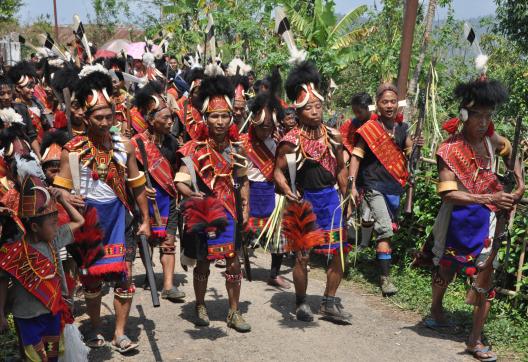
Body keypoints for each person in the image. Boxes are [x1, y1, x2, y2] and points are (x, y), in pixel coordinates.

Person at [53, 65, 150, 353]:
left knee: (125, 279)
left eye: (109, 116)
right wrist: (64, 197)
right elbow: (60, 188)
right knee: (92, 281)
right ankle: (95, 329)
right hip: (89, 221)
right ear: (84, 114)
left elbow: (137, 184)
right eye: (99, 117)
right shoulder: (72, 149)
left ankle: (119, 333)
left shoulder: (125, 146)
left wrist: (145, 218)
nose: (105, 122)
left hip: (121, 218)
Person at [429, 78, 524, 362]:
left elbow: (511, 153)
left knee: (486, 274)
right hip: (457, 214)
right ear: (464, 115)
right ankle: (436, 308)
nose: (484, 122)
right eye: (478, 115)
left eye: (488, 116)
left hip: (490, 219)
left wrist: (519, 183)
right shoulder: (448, 150)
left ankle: (475, 339)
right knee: (446, 267)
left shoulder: (490, 139)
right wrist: (490, 199)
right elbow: (449, 194)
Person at [175, 64, 251, 332]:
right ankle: (200, 305)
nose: (220, 121)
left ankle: (233, 311)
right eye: (215, 116)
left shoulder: (238, 148)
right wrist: (191, 194)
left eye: (225, 116)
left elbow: (243, 180)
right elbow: (181, 179)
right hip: (204, 212)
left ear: (232, 118)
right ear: (205, 118)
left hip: (229, 212)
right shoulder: (193, 149)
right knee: (204, 261)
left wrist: (245, 206)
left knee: (233, 261)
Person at [274, 61, 351, 324]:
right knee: (302, 255)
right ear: (298, 110)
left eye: (318, 106)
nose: (315, 112)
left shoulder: (333, 136)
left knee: (338, 251)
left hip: (330, 201)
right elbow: (277, 173)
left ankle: (329, 303)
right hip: (303, 201)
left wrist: (347, 195)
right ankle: (301, 303)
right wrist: (287, 190)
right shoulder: (291, 141)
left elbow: (341, 168)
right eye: (309, 107)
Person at [0, 175, 85, 362]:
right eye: (53, 223)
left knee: (53, 356)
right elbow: (3, 281)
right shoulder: (15, 251)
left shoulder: (54, 239)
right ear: (35, 227)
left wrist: (62, 198)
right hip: (26, 316)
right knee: (34, 358)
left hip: (52, 313)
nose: (57, 226)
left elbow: (79, 221)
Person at [348, 83, 421, 296]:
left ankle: (376, 264)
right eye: (384, 102)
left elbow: (410, 156)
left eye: (392, 102)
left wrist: (416, 147)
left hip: (394, 187)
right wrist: (352, 184)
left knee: (386, 231)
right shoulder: (369, 130)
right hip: (373, 186)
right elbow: (356, 156)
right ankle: (385, 279)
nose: (389, 105)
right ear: (377, 105)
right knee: (385, 230)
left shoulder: (403, 129)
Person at [131, 84, 185, 302]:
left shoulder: (173, 143)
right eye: (165, 118)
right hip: (144, 199)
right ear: (151, 119)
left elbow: (177, 170)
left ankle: (169, 284)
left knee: (169, 241)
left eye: (171, 117)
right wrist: (143, 187)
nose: (171, 122)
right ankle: (149, 273)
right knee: (147, 240)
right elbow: (130, 175)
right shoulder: (135, 145)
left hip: (168, 199)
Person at [240, 76, 289, 289]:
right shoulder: (242, 143)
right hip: (249, 191)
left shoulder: (279, 142)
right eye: (262, 127)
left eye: (269, 127)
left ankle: (274, 273)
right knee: (242, 231)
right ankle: (236, 264)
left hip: (272, 192)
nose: (266, 131)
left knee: (280, 236)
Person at [339, 92, 377, 250]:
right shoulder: (351, 124)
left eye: (359, 112)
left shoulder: (379, 123)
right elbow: (345, 145)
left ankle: (364, 244)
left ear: (368, 108)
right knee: (348, 204)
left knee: (368, 210)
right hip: (353, 170)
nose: (357, 115)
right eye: (354, 112)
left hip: (373, 171)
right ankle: (347, 240)